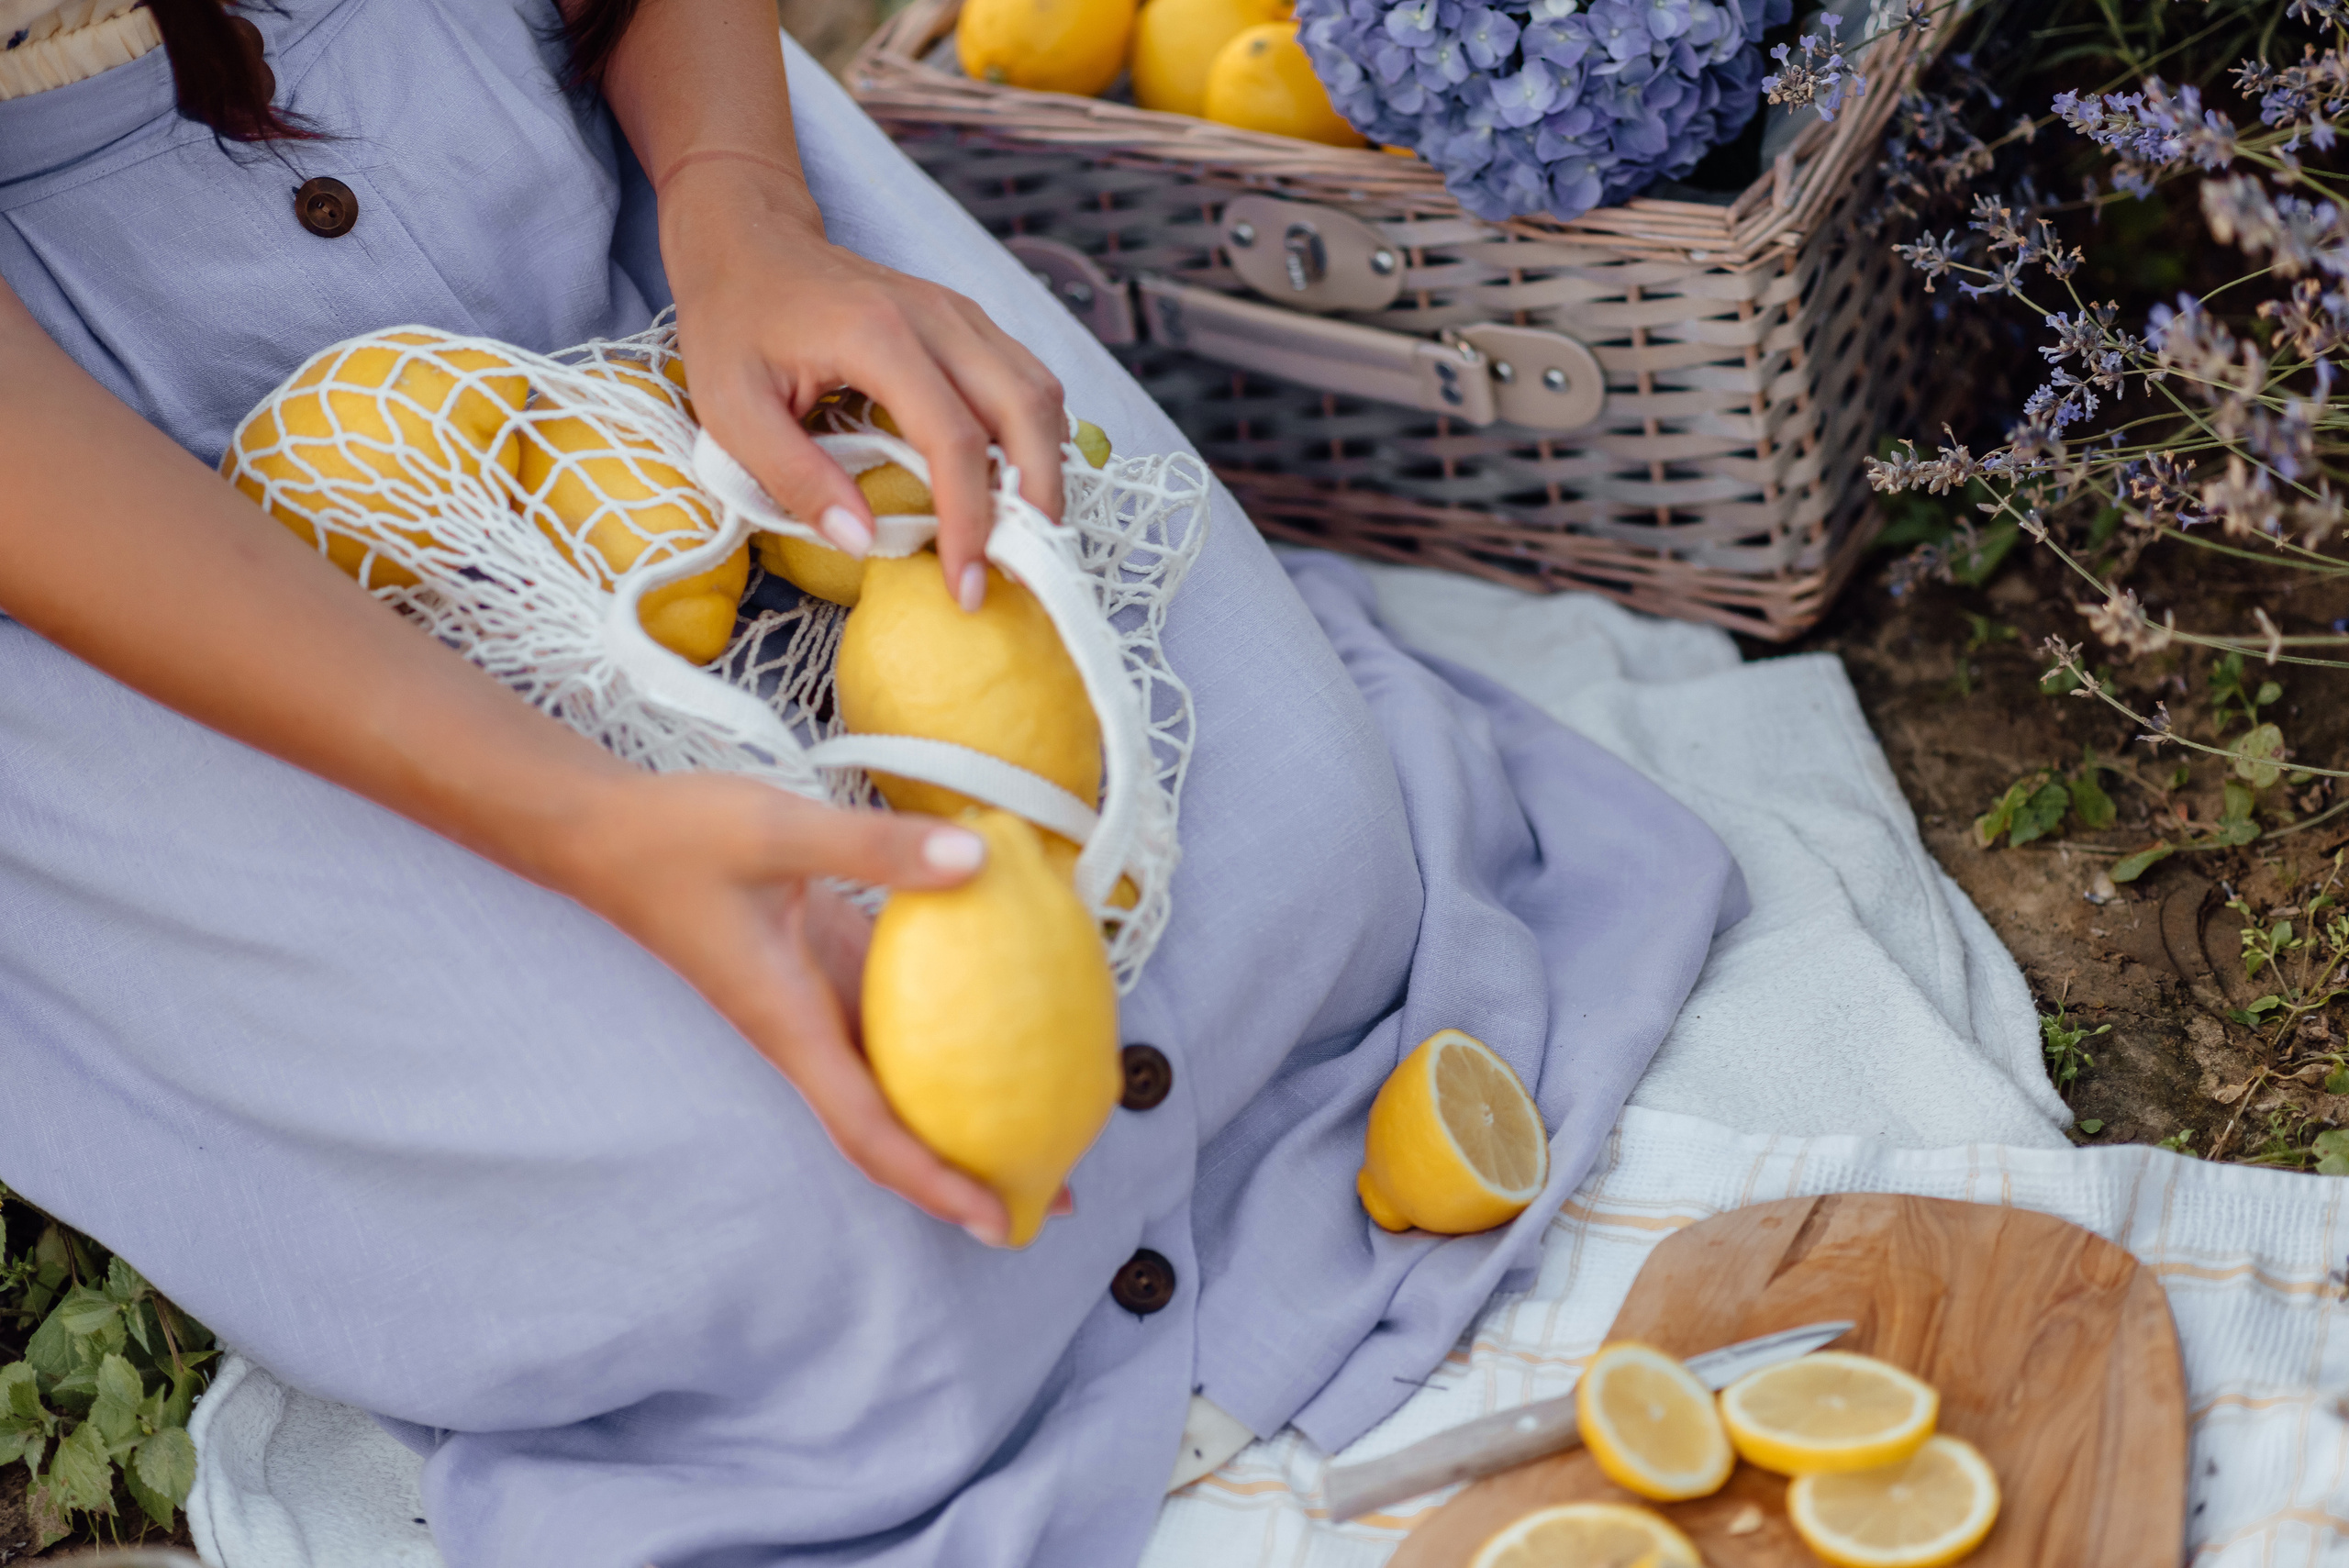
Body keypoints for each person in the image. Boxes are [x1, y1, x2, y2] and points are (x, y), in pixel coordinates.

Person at [0, 2, 1746, 1563]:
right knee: (791, 1195)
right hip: (112, 513)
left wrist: (741, 202)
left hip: (570, 155)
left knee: (1304, 847)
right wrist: (588, 830)